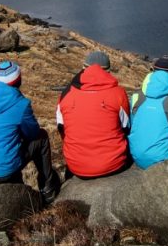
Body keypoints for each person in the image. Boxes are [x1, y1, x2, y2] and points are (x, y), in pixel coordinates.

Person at [0, 60, 60, 202]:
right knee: (42, 138)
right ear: (18, 80)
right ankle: (48, 189)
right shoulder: (21, 104)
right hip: (3, 169)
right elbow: (33, 133)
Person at [56, 50, 131, 179]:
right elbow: (126, 127)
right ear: (108, 71)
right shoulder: (118, 93)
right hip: (114, 164)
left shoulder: (66, 94)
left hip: (76, 166)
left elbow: (61, 128)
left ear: (83, 69)